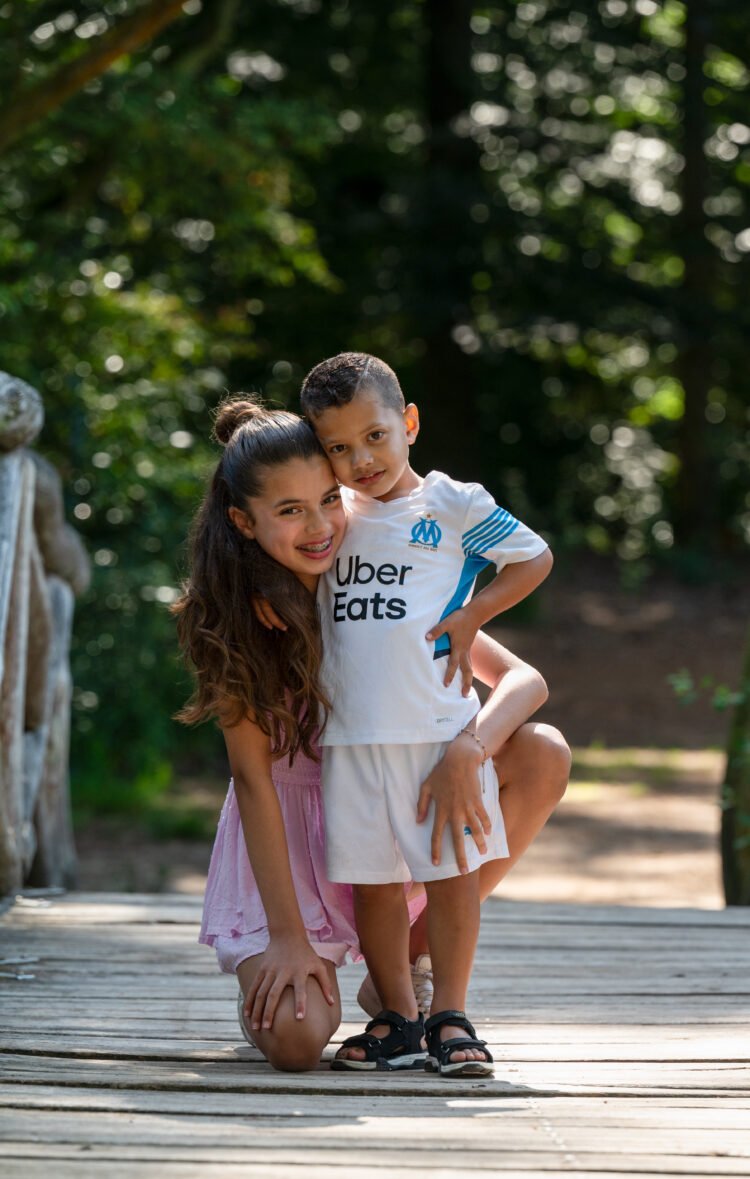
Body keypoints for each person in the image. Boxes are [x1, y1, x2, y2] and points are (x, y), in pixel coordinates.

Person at [174, 395, 568, 1074]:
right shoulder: (238, 620)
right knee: (298, 1040)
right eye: (289, 510)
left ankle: (408, 968)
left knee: (541, 751)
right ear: (244, 520)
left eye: (329, 499)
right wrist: (288, 937)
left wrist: (468, 746)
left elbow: (524, 680)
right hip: (291, 849)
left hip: (392, 812)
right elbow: (252, 781)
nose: (320, 525)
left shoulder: (373, 574)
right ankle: (285, 967)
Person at [298, 351, 555, 1075]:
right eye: (339, 447)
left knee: (450, 876)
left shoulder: (452, 502)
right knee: (374, 883)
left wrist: (474, 615)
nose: (361, 459)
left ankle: (450, 1014)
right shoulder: (334, 516)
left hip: (434, 732)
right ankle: (398, 1018)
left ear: (409, 423)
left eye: (375, 436)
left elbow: (533, 558)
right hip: (350, 738)